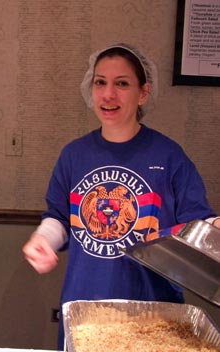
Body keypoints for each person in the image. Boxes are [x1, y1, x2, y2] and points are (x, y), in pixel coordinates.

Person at [22, 43, 220, 350]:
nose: (108, 94)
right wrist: (44, 239)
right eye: (100, 82)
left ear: (143, 93)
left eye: (122, 83)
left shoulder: (169, 157)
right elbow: (59, 217)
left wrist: (214, 228)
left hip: (152, 316)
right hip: (84, 306)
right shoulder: (74, 156)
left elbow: (198, 226)